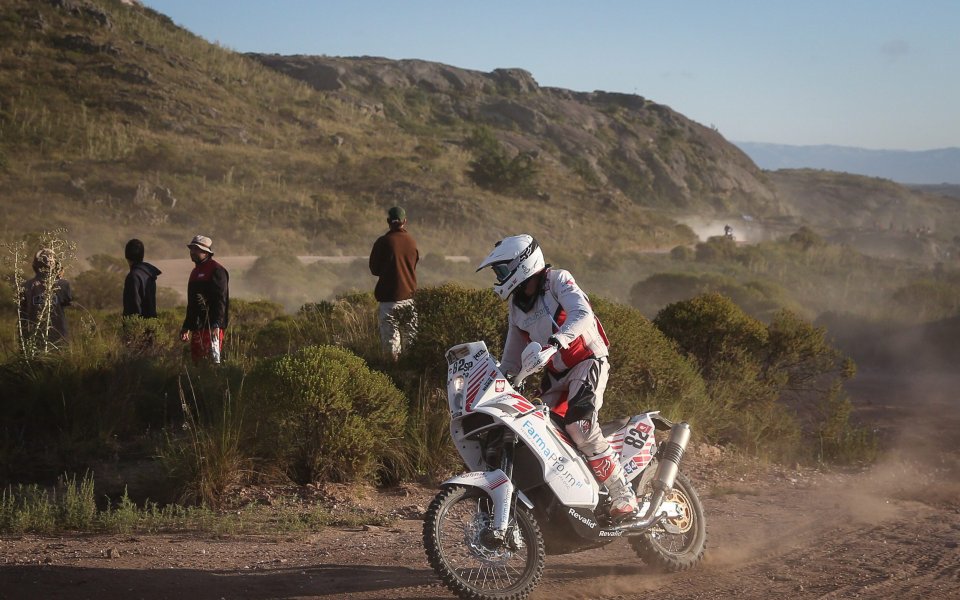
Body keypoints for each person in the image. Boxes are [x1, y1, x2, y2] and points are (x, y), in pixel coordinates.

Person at [477, 234, 639, 521]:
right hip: (555, 374)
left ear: (522, 264)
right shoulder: (517, 305)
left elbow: (582, 313)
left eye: (502, 270)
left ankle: (623, 493)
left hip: (586, 361)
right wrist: (497, 380)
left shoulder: (557, 281)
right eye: (497, 272)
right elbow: (512, 357)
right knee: (538, 432)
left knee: (580, 427)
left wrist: (555, 343)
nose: (499, 277)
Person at [369, 206, 419, 361]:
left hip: (389, 301)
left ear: (388, 221)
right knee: (411, 341)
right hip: (409, 299)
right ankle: (412, 376)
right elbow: (413, 265)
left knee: (391, 344)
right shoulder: (412, 242)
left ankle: (393, 377)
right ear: (405, 221)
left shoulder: (383, 242)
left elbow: (374, 269)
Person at [179, 235, 229, 364]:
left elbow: (220, 300)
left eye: (196, 249)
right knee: (197, 363)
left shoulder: (217, 270)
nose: (192, 252)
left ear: (206, 252)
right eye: (191, 249)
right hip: (197, 327)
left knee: (212, 363)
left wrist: (216, 324)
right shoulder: (194, 272)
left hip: (212, 328)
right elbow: (192, 303)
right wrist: (187, 326)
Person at [19, 248, 73, 347]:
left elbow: (22, 312)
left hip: (32, 339)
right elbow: (67, 301)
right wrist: (58, 278)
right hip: (58, 340)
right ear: (56, 265)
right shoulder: (63, 284)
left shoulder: (25, 286)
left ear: (35, 266)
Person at [122, 238, 161, 318]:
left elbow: (133, 307)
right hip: (151, 325)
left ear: (127, 256)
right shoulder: (148, 274)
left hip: (138, 327)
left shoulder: (133, 276)